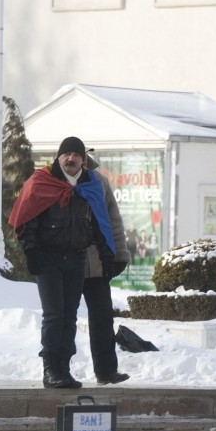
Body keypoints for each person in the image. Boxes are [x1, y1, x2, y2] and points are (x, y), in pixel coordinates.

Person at [8, 136, 114, 389]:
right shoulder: (42, 182)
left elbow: (99, 222)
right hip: (48, 258)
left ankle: (64, 368)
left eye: (76, 155)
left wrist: (107, 254)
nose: (71, 158)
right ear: (58, 157)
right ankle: (50, 368)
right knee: (54, 315)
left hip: (75, 258)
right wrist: (31, 251)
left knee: (69, 316)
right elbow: (27, 220)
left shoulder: (89, 186)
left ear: (83, 160)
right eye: (66, 154)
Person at [82, 161, 131, 385]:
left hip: (98, 261)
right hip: (65, 262)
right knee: (61, 319)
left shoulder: (98, 181)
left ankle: (106, 370)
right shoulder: (53, 180)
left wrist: (120, 254)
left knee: (102, 318)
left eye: (79, 155)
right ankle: (58, 370)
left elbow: (113, 220)